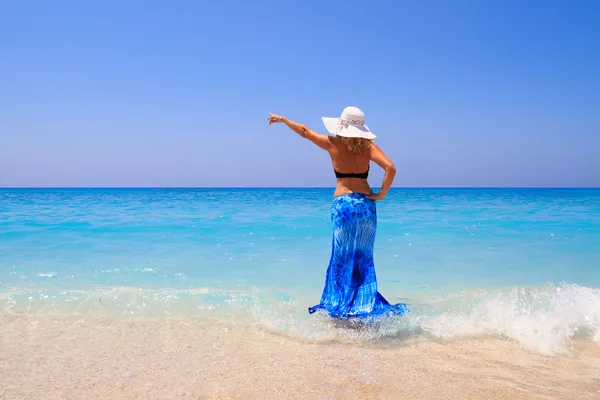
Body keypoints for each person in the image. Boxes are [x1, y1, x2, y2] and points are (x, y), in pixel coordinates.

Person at [268, 106, 408, 319]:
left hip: (343, 206)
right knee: (363, 257)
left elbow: (305, 131)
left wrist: (284, 119)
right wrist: (381, 195)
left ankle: (340, 304)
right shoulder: (368, 147)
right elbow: (391, 168)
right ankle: (362, 304)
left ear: (341, 125)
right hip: (366, 207)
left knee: (341, 257)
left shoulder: (333, 144)